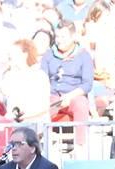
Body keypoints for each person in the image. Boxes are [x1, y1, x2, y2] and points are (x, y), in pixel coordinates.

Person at [41, 21, 94, 152]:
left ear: (73, 37)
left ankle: (80, 145)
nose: (59, 40)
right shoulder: (49, 54)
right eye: (57, 36)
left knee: (82, 103)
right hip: (54, 98)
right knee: (40, 107)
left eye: (63, 37)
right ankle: (45, 145)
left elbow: (87, 84)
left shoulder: (83, 56)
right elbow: (43, 79)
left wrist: (70, 96)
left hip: (73, 97)